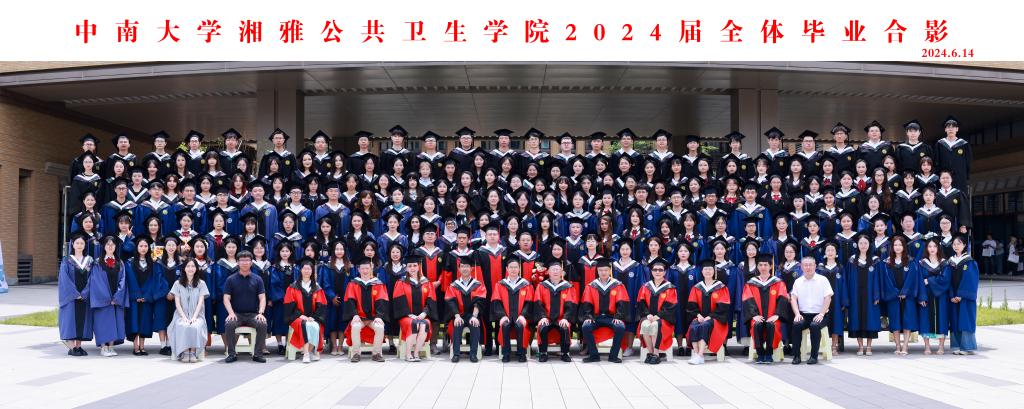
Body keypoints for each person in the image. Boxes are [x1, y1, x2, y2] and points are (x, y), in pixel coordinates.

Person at [742, 254, 790, 364]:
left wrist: (777, 315)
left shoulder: (778, 282)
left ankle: (769, 353)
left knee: (771, 325)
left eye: (765, 265)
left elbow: (783, 298)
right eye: (760, 265)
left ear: (770, 266)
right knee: (756, 324)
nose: (763, 267)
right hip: (757, 316)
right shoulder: (751, 283)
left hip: (773, 316)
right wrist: (754, 315)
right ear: (757, 267)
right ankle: (760, 354)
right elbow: (747, 299)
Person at [222, 250, 268, 363]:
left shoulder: (258, 279)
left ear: (251, 262)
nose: (245, 263)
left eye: (247, 260)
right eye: (242, 260)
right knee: (229, 324)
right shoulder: (231, 279)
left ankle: (257, 354)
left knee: (262, 324)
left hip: (253, 314)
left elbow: (262, 297)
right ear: (237, 262)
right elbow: (226, 298)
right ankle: (232, 354)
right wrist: (231, 313)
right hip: (237, 314)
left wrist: (261, 313)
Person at [580, 259, 629, 363]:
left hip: (612, 317)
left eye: (606, 270)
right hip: (596, 317)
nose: (603, 272)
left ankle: (613, 356)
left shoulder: (617, 285)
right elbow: (587, 303)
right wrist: (589, 316)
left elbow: (622, 303)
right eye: (601, 270)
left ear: (610, 271)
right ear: (597, 271)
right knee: (586, 326)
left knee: (620, 327)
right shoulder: (591, 286)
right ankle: (594, 355)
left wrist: (618, 316)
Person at [391, 255, 437, 361]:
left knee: (424, 324)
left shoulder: (426, 282)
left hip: (422, 316)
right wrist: (409, 314)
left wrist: (424, 313)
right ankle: (408, 354)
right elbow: (399, 301)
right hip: (406, 316)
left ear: (419, 266)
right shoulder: (401, 282)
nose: (412, 268)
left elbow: (431, 300)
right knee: (414, 323)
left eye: (415, 265)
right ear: (406, 268)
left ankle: (416, 353)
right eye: (410, 266)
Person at [342, 258, 389, 362]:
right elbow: (349, 301)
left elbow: (382, 301)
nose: (365, 271)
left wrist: (379, 316)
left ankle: (376, 353)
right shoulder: (353, 284)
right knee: (355, 326)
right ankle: (356, 353)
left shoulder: (378, 284)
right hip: (359, 317)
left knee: (380, 327)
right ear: (358, 269)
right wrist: (354, 315)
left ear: (371, 268)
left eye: (367, 268)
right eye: (362, 269)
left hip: (373, 318)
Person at [788, 256, 833, 365]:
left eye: (810, 265)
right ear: (801, 267)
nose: (808, 267)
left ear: (815, 266)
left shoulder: (823, 280)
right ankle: (796, 356)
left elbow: (828, 298)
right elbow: (793, 298)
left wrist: (821, 314)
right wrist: (797, 314)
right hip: (803, 314)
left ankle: (814, 356)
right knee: (796, 324)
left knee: (814, 325)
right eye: (805, 265)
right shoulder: (798, 281)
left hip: (820, 314)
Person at [686, 261, 730, 365]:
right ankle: (697, 355)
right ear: (702, 272)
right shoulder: (697, 287)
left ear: (714, 271)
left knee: (704, 325)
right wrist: (698, 315)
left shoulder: (721, 287)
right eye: (705, 269)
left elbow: (723, 307)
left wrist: (710, 317)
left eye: (710, 269)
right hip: (700, 317)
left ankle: (700, 355)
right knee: (693, 325)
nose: (708, 271)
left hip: (716, 319)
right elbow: (691, 306)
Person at [284, 259, 328, 363]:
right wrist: (300, 315)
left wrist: (314, 317)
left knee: (315, 325)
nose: (307, 271)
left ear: (312, 271)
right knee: (305, 324)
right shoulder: (293, 287)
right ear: (301, 270)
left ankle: (310, 351)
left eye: (309, 269)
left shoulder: (317, 287)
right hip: (297, 317)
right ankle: (307, 354)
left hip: (313, 317)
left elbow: (321, 306)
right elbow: (289, 305)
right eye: (304, 269)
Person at [90, 235, 128, 357]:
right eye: (108, 244)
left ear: (116, 247)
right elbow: (96, 281)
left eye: (112, 244)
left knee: (114, 322)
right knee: (102, 322)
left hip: (116, 298)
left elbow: (123, 280)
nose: (110, 246)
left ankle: (111, 347)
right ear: (104, 246)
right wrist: (107, 298)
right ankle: (103, 347)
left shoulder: (120, 263)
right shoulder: (97, 263)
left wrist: (117, 297)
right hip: (103, 299)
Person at [635, 259, 678, 365]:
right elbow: (641, 303)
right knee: (644, 325)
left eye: (660, 270)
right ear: (651, 271)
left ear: (665, 272)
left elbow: (670, 305)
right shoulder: (646, 287)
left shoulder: (670, 287)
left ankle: (656, 354)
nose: (657, 272)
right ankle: (651, 353)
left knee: (655, 325)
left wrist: (658, 316)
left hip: (664, 320)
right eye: (655, 270)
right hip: (648, 316)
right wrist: (647, 314)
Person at [167, 258, 210, 363]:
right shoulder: (177, 283)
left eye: (193, 266)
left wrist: (194, 317)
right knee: (183, 325)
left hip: (197, 315)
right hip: (181, 315)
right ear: (184, 269)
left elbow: (200, 303)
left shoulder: (201, 283)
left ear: (196, 269)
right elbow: (177, 303)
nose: (190, 268)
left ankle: (193, 352)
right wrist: (184, 317)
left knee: (195, 326)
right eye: (188, 266)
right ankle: (185, 351)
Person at [492, 257, 534, 363]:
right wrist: (502, 316)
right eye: (511, 267)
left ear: (519, 269)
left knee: (520, 325)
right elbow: (496, 302)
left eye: (515, 267)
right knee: (505, 325)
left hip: (521, 316)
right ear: (507, 269)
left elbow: (529, 303)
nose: (513, 270)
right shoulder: (500, 284)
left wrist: (523, 315)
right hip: (506, 316)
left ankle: (522, 353)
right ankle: (506, 354)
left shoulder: (526, 284)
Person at [445, 256, 486, 362]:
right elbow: (451, 302)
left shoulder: (478, 285)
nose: (464, 269)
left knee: (475, 324)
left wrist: (474, 316)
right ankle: (456, 354)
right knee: (457, 324)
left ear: (471, 268)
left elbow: (479, 301)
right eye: (462, 266)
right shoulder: (453, 285)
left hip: (473, 315)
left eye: (467, 266)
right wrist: (457, 316)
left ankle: (473, 354)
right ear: (459, 269)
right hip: (459, 314)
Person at [533, 261, 576, 362]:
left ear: (562, 272)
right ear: (548, 272)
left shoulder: (568, 287)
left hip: (561, 318)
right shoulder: (542, 286)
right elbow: (538, 303)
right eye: (553, 269)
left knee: (565, 327)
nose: (555, 272)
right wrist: (543, 317)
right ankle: (543, 353)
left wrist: (565, 318)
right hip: (546, 317)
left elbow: (571, 305)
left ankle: (565, 353)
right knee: (542, 327)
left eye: (558, 270)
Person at [59, 233, 94, 356]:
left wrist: (85, 293)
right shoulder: (66, 260)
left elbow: (92, 278)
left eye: (82, 243)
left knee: (83, 320)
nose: (79, 245)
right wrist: (75, 293)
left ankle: (78, 346)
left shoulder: (89, 260)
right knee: (70, 321)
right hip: (71, 297)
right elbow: (64, 279)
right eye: (77, 243)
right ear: (72, 244)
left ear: (85, 245)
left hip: (84, 297)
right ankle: (72, 347)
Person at [947, 235, 979, 355]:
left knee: (965, 320)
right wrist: (952, 295)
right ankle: (957, 346)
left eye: (959, 243)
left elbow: (970, 280)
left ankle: (967, 347)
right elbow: (948, 280)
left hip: (965, 298)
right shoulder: (950, 262)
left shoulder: (969, 261)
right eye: (954, 244)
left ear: (964, 245)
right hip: (953, 297)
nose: (956, 246)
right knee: (955, 320)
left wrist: (961, 295)